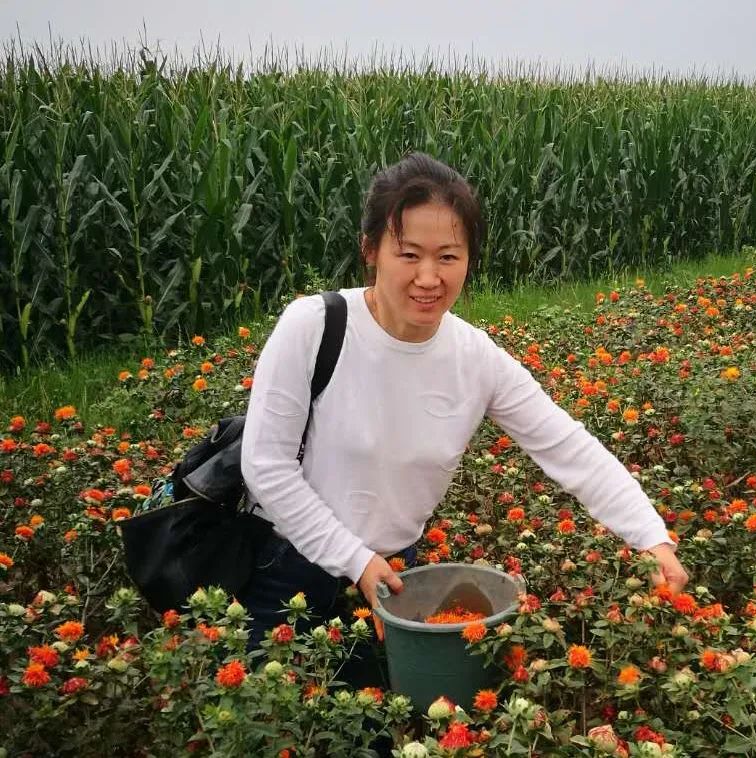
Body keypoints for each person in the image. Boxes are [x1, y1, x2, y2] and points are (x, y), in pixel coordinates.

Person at [239, 152, 689, 686]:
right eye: (409, 254)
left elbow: (568, 447)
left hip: (395, 577)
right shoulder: (313, 327)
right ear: (371, 252)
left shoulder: (475, 359)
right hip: (285, 572)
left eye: (448, 257)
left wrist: (650, 536)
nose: (429, 278)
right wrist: (354, 560)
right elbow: (265, 465)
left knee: (375, 733)